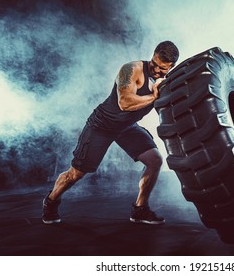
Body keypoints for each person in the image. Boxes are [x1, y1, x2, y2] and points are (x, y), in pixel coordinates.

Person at [42, 41, 179, 225]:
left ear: (171, 67)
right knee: (76, 173)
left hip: (127, 127)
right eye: (154, 65)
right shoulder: (132, 69)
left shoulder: (164, 81)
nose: (156, 71)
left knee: (155, 161)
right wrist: (154, 96)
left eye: (162, 69)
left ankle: (139, 209)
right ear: (152, 56)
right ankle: (51, 201)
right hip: (102, 126)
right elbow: (125, 103)